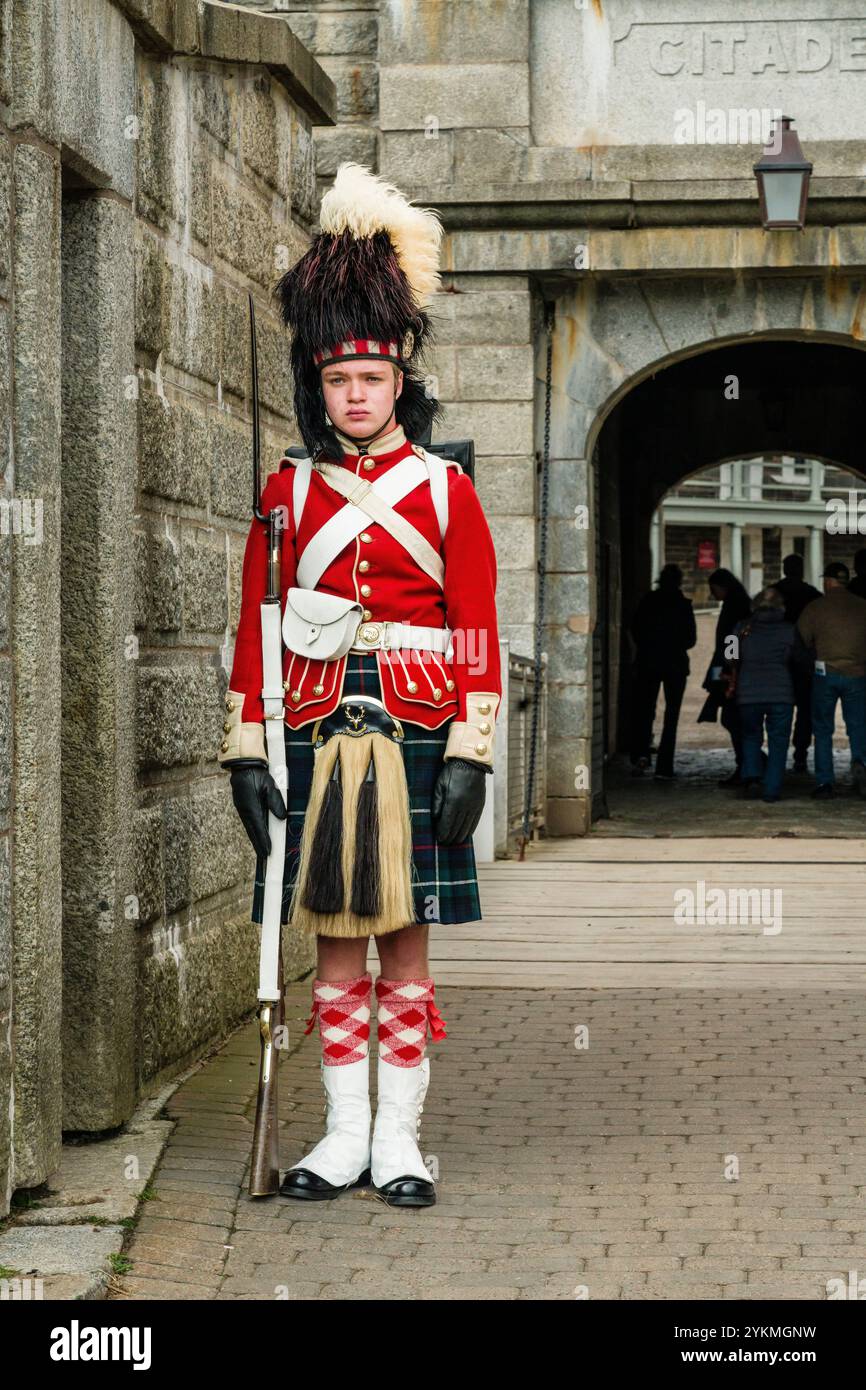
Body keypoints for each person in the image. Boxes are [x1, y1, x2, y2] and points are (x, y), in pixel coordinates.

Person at [218, 164, 501, 1206]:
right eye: (337, 379)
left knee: (406, 948)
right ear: (319, 382)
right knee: (337, 950)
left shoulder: (446, 492)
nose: (354, 395)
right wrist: (247, 750)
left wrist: (470, 750)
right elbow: (252, 632)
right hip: (318, 732)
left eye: (371, 380)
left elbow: (475, 626)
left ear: (399, 382)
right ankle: (341, 1136)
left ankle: (401, 1141)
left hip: (423, 730)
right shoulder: (286, 492)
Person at [727, 586, 810, 803]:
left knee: (750, 736)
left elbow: (729, 656)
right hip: (781, 693)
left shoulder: (741, 627)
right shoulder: (790, 630)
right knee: (779, 741)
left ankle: (753, 777)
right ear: (781, 607)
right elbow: (801, 659)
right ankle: (772, 789)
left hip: (748, 692)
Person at [797, 561, 866, 799]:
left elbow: (803, 640)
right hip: (857, 674)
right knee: (858, 727)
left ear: (827, 581)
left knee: (823, 729)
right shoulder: (862, 606)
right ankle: (862, 766)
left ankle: (825, 782)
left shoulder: (815, 607)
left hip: (824, 674)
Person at [628, 563, 697, 780]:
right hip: (675, 664)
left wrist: (648, 646)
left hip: (649, 661)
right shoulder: (683, 605)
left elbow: (635, 628)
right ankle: (665, 765)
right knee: (672, 714)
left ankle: (641, 754)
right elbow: (690, 639)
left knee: (644, 710)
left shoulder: (649, 601)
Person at [698, 568, 753, 786]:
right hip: (734, 668)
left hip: (733, 671)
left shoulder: (733, 608)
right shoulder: (738, 605)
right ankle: (750, 762)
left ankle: (749, 763)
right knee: (734, 719)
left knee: (732, 718)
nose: (713, 595)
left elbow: (731, 640)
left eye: (714, 590)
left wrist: (729, 669)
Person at [773, 554, 821, 772]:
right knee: (804, 710)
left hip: (775, 664)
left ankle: (773, 758)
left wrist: (731, 662)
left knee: (778, 711)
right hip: (804, 662)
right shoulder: (812, 596)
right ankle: (800, 754)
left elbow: (732, 637)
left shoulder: (770, 597)